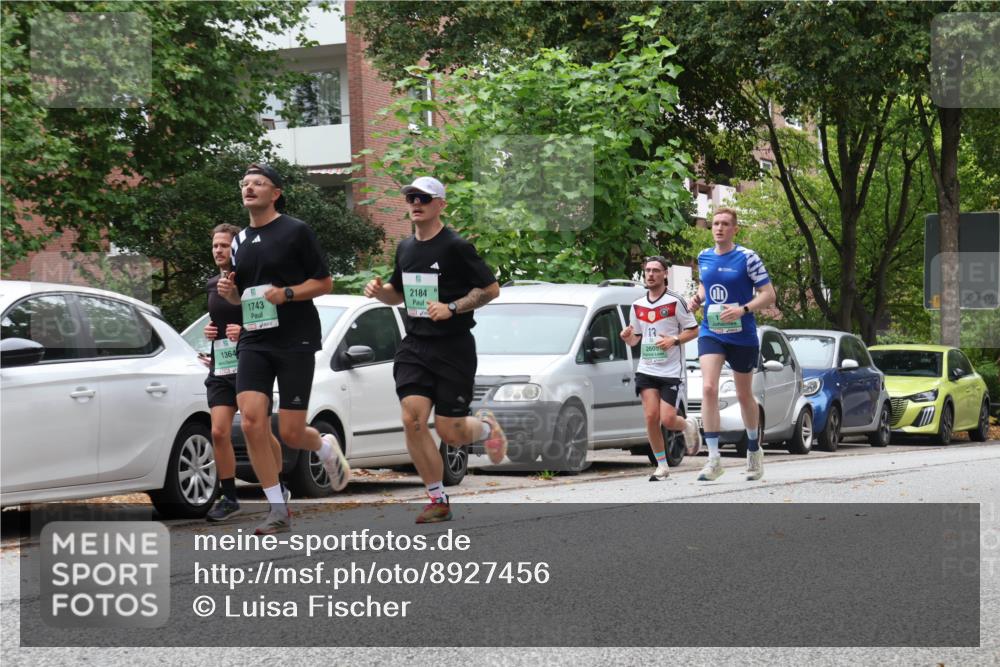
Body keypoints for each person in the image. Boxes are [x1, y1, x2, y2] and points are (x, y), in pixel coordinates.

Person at [364, 176, 506, 524]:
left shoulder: (456, 246)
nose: (415, 203)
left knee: (449, 432)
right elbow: (398, 293)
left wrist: (452, 308)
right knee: (411, 419)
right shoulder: (405, 248)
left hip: (453, 347)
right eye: (411, 197)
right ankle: (437, 498)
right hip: (414, 345)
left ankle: (486, 428)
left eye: (424, 198)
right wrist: (381, 293)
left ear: (440, 204)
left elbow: (490, 289)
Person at [217, 164, 350, 535]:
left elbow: (324, 282)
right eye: (245, 183)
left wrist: (287, 293)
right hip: (255, 338)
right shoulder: (240, 241)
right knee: (254, 420)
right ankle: (277, 507)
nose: (250, 188)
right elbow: (244, 294)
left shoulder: (296, 231)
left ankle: (323, 445)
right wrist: (232, 296)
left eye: (259, 183)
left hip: (295, 339)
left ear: (275, 193)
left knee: (291, 433)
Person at [201, 223, 285, 523]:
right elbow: (217, 322)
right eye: (215, 246)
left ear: (236, 248)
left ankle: (278, 487)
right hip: (221, 366)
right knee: (219, 431)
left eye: (224, 245)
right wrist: (210, 333)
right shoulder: (213, 285)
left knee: (259, 431)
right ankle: (229, 496)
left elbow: (270, 320)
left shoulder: (253, 282)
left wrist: (245, 329)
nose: (218, 250)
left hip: (253, 364)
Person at [687, 207, 776, 482]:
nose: (719, 228)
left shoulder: (748, 258)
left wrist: (743, 309)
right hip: (711, 330)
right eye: (715, 223)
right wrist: (697, 298)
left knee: (744, 395)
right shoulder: (704, 256)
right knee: (709, 388)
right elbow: (706, 285)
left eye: (725, 224)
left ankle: (753, 448)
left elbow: (768, 294)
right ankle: (714, 458)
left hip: (742, 333)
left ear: (735, 229)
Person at [620, 256, 701, 481]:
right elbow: (636, 339)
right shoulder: (637, 305)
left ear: (665, 274)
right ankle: (662, 465)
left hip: (670, 371)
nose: (651, 274)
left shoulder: (676, 302)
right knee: (650, 417)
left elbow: (694, 330)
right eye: (647, 270)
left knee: (667, 419)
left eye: (656, 270)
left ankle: (686, 424)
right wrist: (627, 337)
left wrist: (673, 340)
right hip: (646, 369)